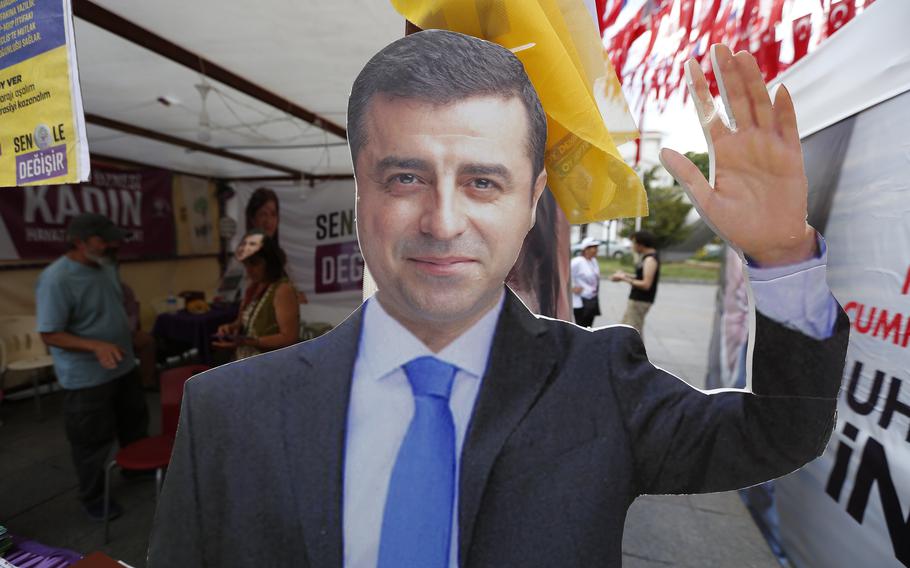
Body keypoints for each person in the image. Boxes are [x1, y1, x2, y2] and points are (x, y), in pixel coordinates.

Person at [148, 33, 848, 567]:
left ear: (532, 201)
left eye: (483, 182)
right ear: (360, 188)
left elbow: (780, 433)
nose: (443, 221)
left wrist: (783, 256)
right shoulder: (227, 413)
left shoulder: (603, 384)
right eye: (403, 178)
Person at [36, 213, 149, 522]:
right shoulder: (56, 279)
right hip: (86, 378)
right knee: (92, 440)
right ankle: (93, 496)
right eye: (104, 239)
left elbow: (110, 309)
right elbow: (49, 333)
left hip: (123, 366)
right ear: (79, 242)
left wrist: (130, 333)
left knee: (134, 422)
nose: (113, 244)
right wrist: (96, 345)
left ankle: (134, 467)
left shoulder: (106, 266)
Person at [213, 230, 300, 359]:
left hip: (271, 365)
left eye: (254, 263)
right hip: (248, 362)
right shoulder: (253, 287)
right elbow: (242, 322)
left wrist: (248, 341)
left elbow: (289, 338)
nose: (248, 270)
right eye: (246, 264)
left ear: (270, 262)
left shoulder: (282, 289)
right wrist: (229, 328)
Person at [611, 230, 660, 334]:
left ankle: (636, 351)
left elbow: (646, 284)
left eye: (633, 243)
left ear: (641, 244)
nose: (632, 246)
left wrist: (624, 279)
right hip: (637, 299)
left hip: (640, 301)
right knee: (626, 329)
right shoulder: (647, 257)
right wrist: (625, 275)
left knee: (633, 333)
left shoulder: (650, 259)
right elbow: (641, 276)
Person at [571, 236, 602, 327]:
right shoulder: (577, 262)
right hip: (580, 301)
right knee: (581, 327)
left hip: (592, 299)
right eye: (594, 247)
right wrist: (572, 287)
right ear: (586, 249)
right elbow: (563, 274)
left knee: (589, 327)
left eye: (597, 247)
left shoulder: (593, 261)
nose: (596, 250)